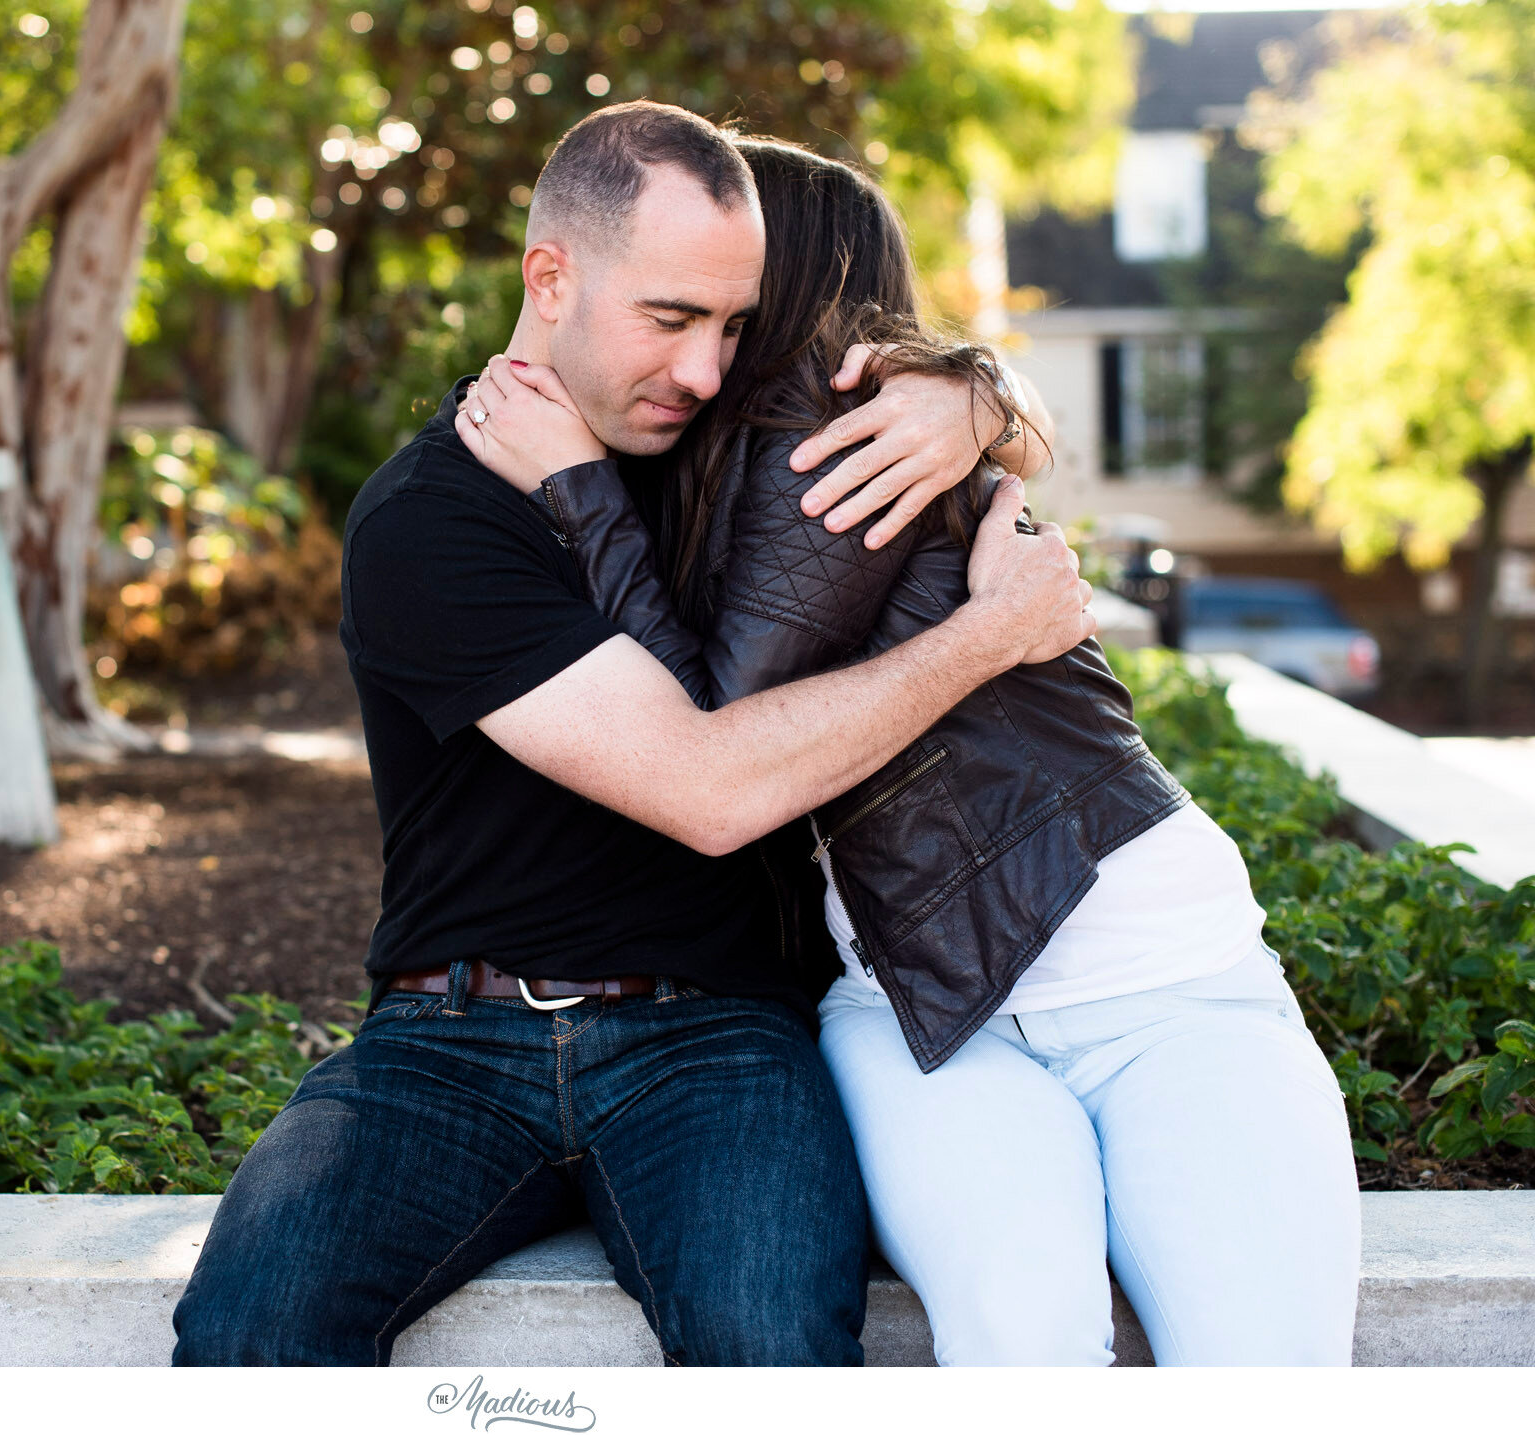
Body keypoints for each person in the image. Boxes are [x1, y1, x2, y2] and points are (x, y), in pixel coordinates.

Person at [169, 102, 1095, 1366]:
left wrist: (975, 393)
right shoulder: (427, 518)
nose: (706, 370)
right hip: (449, 1038)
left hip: (715, 1034)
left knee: (770, 1346)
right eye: (669, 320)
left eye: (731, 326)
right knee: (246, 1332)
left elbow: (934, 416)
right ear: (548, 278)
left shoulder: (720, 456)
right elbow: (703, 789)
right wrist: (987, 634)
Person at [456, 137, 1362, 1366]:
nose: (696, 327)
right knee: (1019, 1342)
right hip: (918, 1006)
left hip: (1158, 981)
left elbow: (706, 730)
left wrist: (573, 485)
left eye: (728, 286)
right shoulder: (774, 438)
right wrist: (981, 388)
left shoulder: (821, 442)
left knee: (1259, 1374)